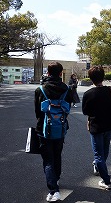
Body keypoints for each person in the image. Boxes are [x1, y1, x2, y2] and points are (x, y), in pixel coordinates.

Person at [34, 62, 73, 202]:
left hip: (44, 130)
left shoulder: (41, 89)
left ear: (48, 73)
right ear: (61, 72)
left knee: (48, 160)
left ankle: (53, 190)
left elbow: (37, 112)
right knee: (57, 155)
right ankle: (56, 179)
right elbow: (68, 109)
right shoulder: (67, 89)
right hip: (60, 128)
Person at [82, 66, 111, 190]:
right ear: (103, 77)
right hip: (109, 125)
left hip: (96, 126)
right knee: (105, 150)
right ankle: (98, 167)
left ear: (91, 78)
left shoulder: (88, 94)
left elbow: (85, 111)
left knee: (98, 155)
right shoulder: (110, 90)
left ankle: (106, 181)